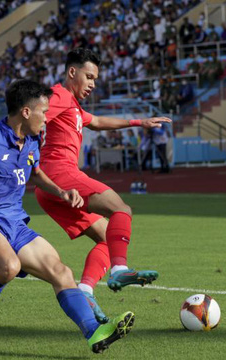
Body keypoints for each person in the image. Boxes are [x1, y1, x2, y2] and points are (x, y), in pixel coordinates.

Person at [0, 80, 135, 357]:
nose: (47, 119)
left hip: (15, 223)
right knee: (8, 267)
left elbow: (34, 173)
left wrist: (61, 191)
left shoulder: (31, 140)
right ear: (25, 112)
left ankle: (94, 331)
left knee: (62, 272)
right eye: (43, 113)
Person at [35, 49, 170, 323]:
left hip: (50, 189)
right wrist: (25, 143)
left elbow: (95, 121)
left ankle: (85, 289)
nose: (93, 84)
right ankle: (120, 269)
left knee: (108, 236)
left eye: (95, 78)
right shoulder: (59, 96)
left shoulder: (72, 104)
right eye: (89, 76)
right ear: (72, 72)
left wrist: (137, 122)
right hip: (60, 176)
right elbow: (36, 114)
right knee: (121, 208)